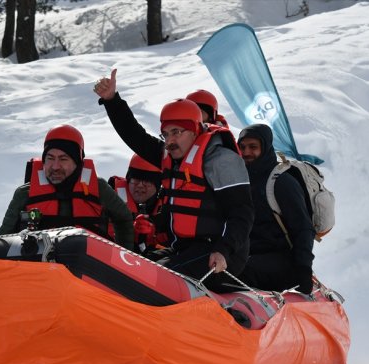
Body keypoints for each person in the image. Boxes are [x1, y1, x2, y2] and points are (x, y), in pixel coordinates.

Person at [93, 69, 253, 289]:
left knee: (148, 282)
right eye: (166, 134)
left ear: (195, 130)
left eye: (177, 132)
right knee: (128, 270)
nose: (170, 140)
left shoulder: (221, 160)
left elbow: (241, 213)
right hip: (183, 248)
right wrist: (112, 100)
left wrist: (223, 250)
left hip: (218, 255)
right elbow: (135, 136)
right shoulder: (171, 156)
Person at [0, 124, 134, 250]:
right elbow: (1, 241)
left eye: (63, 159)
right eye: (50, 158)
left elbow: (124, 218)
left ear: (78, 162)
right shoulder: (24, 194)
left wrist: (124, 256)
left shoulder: (99, 189)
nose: (55, 167)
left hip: (88, 270)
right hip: (40, 270)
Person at [237, 124, 315, 294]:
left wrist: (303, 268)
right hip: (247, 254)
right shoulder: (240, 180)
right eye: (242, 147)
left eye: (253, 147)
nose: (246, 152)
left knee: (237, 273)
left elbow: (303, 228)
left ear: (265, 147)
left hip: (283, 260)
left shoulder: (281, 182)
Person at [108, 154, 167, 253]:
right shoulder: (109, 198)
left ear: (157, 185)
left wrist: (150, 240)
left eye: (147, 181)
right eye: (135, 179)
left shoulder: (168, 210)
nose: (140, 185)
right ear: (128, 180)